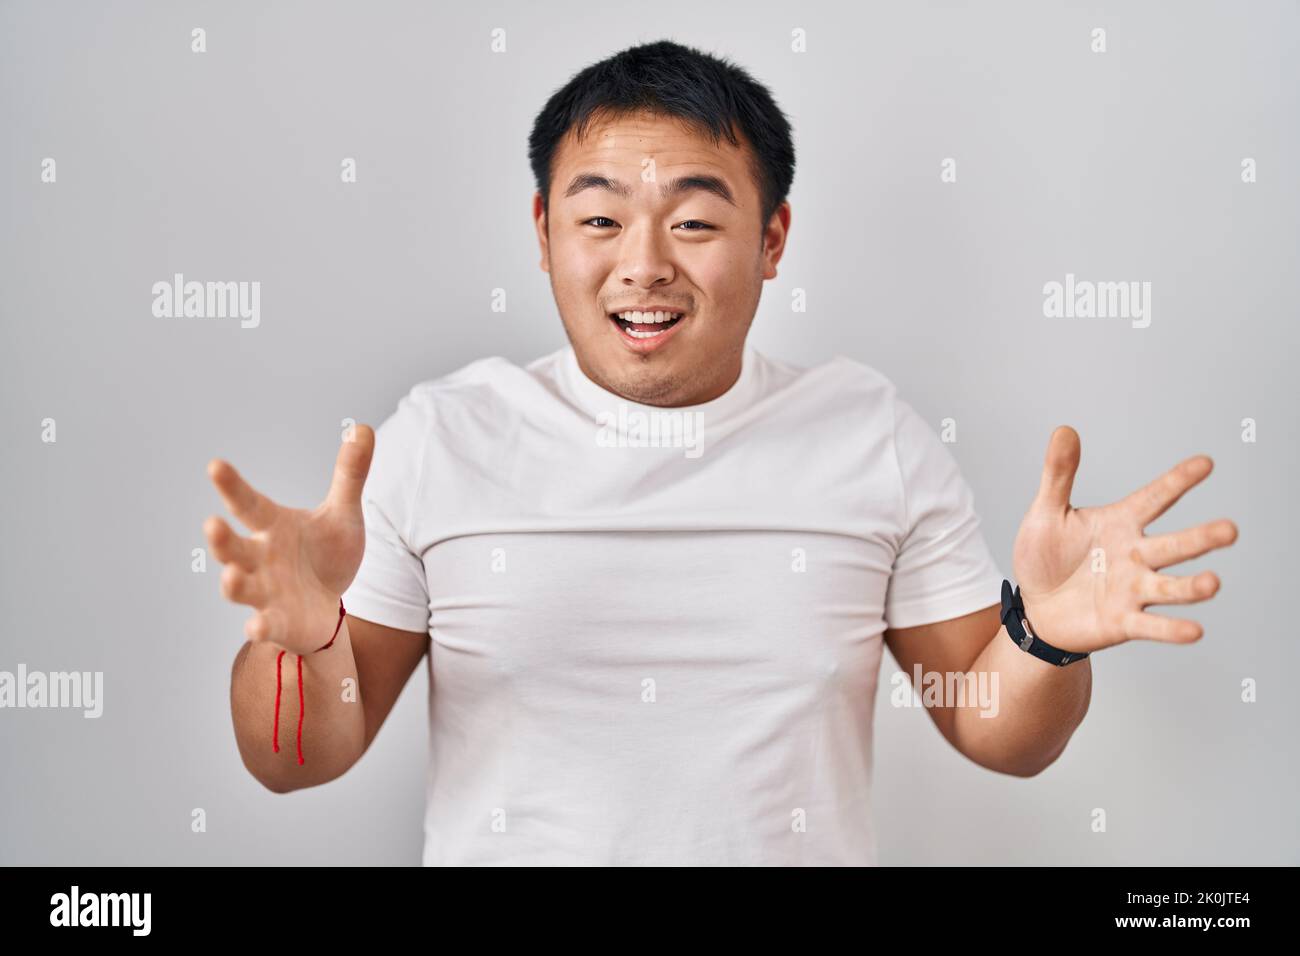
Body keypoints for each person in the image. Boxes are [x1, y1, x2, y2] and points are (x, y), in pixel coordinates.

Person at [203, 40, 1238, 865]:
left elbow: (999, 733)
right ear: (542, 228)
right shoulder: (444, 435)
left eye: (694, 219)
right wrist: (300, 641)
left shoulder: (866, 433)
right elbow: (298, 759)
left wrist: (1044, 637)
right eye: (600, 216)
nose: (642, 264)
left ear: (772, 239)